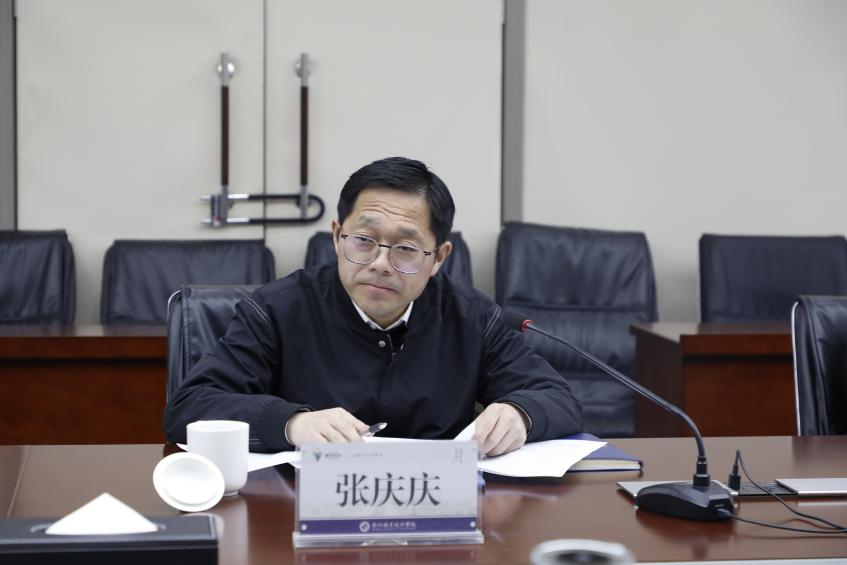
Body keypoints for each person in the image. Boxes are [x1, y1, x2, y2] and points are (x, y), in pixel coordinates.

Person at [164, 157, 582, 456]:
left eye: (405, 248)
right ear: (337, 236)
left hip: (437, 512)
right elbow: (190, 407)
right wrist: (291, 423)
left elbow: (558, 398)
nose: (380, 263)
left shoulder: (471, 317)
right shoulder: (278, 310)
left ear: (438, 258)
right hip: (302, 512)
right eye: (363, 241)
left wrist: (520, 413)